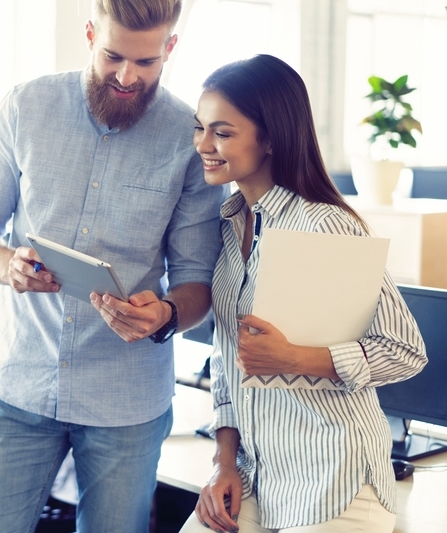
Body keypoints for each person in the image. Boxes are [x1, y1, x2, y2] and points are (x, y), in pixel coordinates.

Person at [0, 0, 228, 531]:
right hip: (18, 381)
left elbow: (197, 282)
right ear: (88, 34)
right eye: (113, 56)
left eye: (146, 63)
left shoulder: (190, 141)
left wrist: (166, 314)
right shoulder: (24, 107)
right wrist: (7, 264)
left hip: (126, 402)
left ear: (170, 48)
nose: (127, 76)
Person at [181, 54, 427, 533]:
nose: (203, 145)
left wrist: (293, 358)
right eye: (200, 128)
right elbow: (229, 359)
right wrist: (223, 461)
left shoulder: (325, 225)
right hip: (258, 475)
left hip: (333, 480)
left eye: (223, 132)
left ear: (270, 138)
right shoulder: (230, 225)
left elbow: (405, 352)